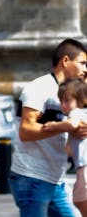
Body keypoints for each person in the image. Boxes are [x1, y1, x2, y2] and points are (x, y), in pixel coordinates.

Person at [10, 38, 87, 217]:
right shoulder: (39, 88)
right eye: (82, 63)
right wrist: (66, 127)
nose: (85, 69)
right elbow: (26, 132)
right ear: (66, 61)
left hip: (55, 180)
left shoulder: (68, 92)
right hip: (32, 177)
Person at [41, 78, 87, 216]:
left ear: (80, 100)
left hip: (85, 167)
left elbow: (72, 125)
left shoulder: (76, 113)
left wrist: (52, 125)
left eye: (67, 100)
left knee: (80, 199)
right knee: (79, 199)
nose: (63, 105)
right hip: (82, 167)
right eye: (61, 101)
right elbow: (69, 150)